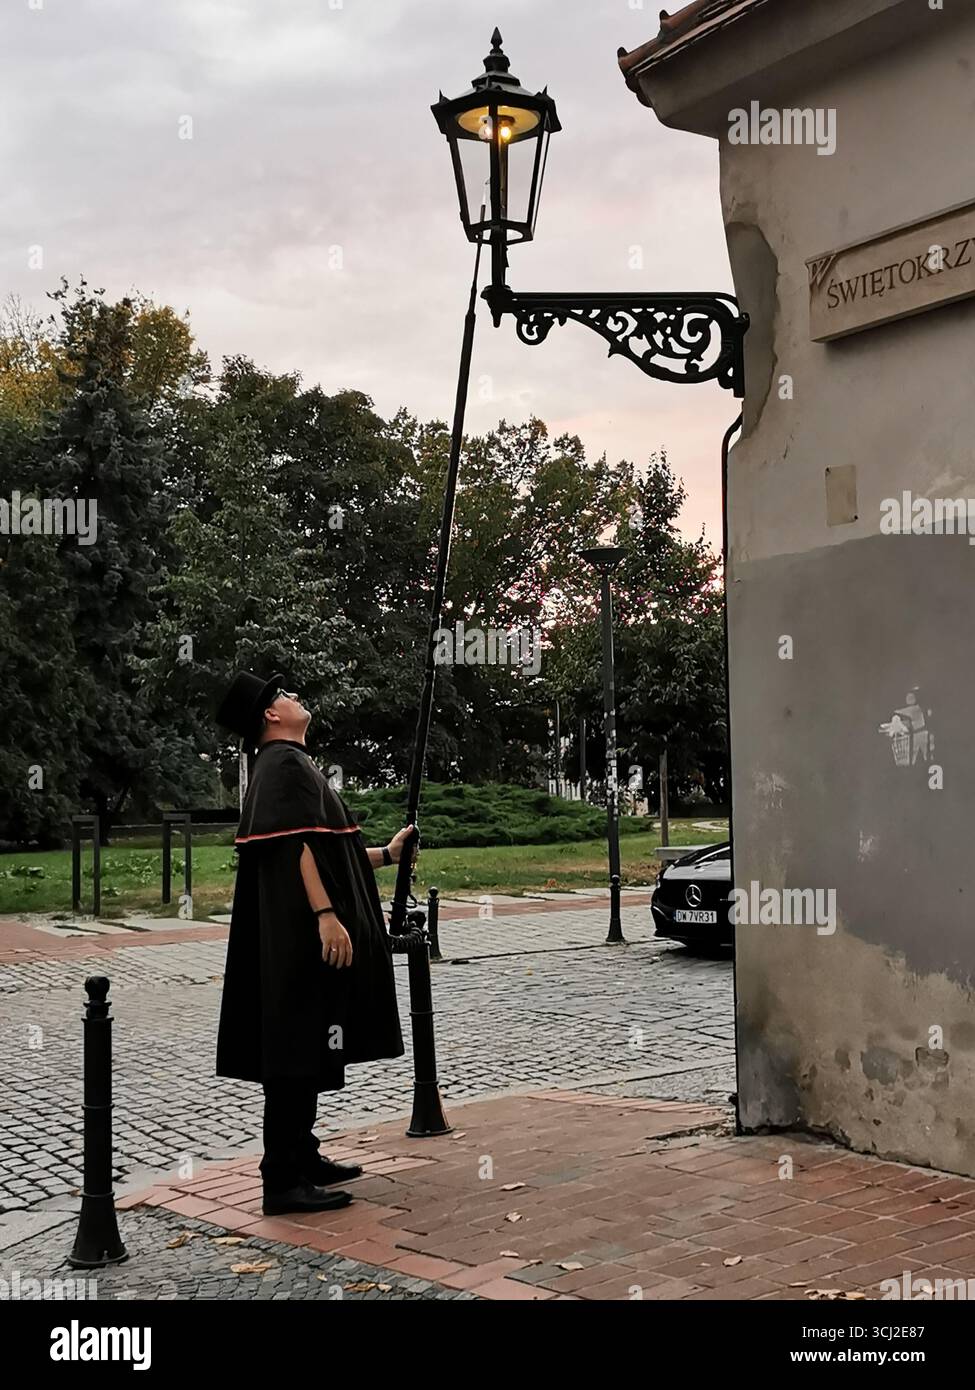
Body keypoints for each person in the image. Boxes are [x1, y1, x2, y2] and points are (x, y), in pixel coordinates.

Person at [214, 671, 411, 1215]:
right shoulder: (279, 765)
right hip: (300, 935)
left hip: (300, 934)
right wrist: (325, 914)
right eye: (282, 694)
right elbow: (292, 848)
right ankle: (280, 1180)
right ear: (271, 716)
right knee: (294, 1045)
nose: (293, 697)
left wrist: (387, 856)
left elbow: (329, 852)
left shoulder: (290, 764)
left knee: (306, 1039)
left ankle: (302, 1155)